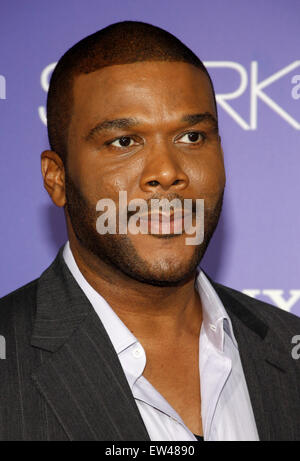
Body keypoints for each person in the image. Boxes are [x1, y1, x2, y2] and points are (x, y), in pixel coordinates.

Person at [1, 21, 300, 442]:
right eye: (124, 142)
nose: (167, 172)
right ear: (57, 178)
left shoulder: (289, 346)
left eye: (192, 136)